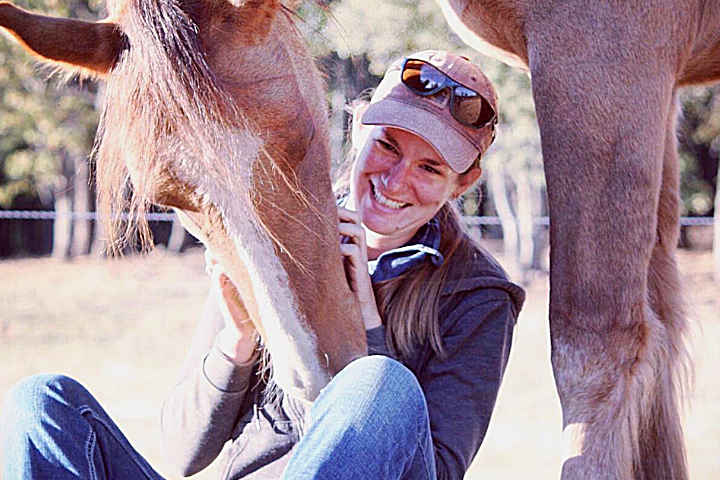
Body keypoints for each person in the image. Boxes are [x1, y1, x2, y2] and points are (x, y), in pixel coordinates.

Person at [0, 50, 525, 480]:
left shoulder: (479, 294)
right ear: (358, 127)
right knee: (43, 403)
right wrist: (237, 341)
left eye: (430, 168)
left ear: (463, 184)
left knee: (382, 384)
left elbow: (439, 472)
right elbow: (182, 454)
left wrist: (365, 325)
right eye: (387, 146)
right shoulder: (277, 231)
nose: (395, 180)